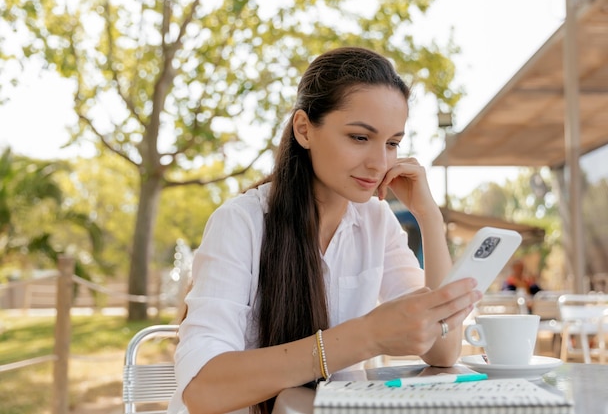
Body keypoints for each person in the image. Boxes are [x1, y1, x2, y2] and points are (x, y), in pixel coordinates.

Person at [168, 46, 482, 414]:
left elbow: (443, 350)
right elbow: (202, 389)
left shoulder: (376, 221)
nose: (380, 163)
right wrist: (366, 337)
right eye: (360, 138)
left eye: (393, 143)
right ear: (304, 129)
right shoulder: (242, 223)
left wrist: (429, 217)